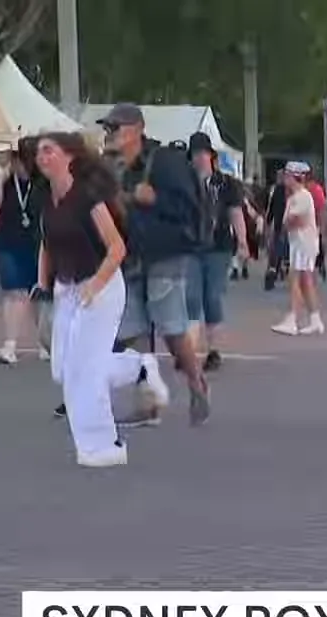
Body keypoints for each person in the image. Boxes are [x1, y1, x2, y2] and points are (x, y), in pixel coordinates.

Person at [99, 103, 209, 426]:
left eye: (114, 128)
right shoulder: (119, 169)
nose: (110, 135)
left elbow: (188, 207)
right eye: (108, 129)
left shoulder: (164, 162)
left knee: (171, 325)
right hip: (132, 255)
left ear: (136, 129)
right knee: (132, 329)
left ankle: (196, 382)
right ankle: (148, 402)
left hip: (166, 253)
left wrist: (155, 199)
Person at [34, 132, 130, 467]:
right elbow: (47, 243)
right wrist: (41, 284)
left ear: (69, 157)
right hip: (67, 288)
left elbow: (117, 248)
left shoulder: (88, 197)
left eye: (49, 150)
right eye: (39, 152)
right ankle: (139, 369)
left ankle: (105, 446)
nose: (41, 157)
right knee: (62, 367)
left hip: (100, 286)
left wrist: (95, 285)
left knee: (84, 370)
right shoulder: (47, 198)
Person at [185, 132, 247, 371]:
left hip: (218, 247)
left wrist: (242, 241)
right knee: (191, 297)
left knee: (211, 297)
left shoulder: (227, 184)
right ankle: (189, 351)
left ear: (212, 156)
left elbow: (235, 212)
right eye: (195, 155)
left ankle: (213, 350)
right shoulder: (185, 183)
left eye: (203, 154)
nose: (200, 159)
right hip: (190, 247)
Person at [0, 141, 46, 364]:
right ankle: (10, 344)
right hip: (8, 242)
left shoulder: (42, 182)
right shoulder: (7, 182)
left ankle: (44, 341)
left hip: (38, 242)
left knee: (39, 293)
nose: (18, 164)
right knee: (14, 292)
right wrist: (1, 176)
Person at [271, 162, 325, 335]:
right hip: (300, 243)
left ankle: (292, 319)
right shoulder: (295, 196)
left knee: (295, 279)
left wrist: (287, 222)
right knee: (305, 282)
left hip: (303, 243)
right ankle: (315, 319)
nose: (285, 178)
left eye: (287, 175)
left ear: (296, 177)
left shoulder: (302, 196)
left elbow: (295, 221)